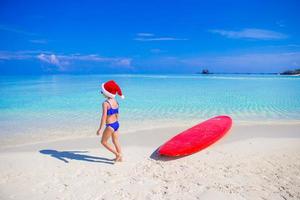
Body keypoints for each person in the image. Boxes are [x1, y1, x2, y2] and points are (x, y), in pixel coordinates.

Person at [97, 80, 125, 162]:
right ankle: (120, 158)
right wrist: (116, 123)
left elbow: (103, 117)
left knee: (103, 142)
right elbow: (117, 114)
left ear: (107, 93)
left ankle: (117, 154)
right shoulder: (116, 101)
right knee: (115, 140)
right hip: (116, 124)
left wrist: (100, 129)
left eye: (102, 91)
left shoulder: (105, 103)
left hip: (110, 126)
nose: (101, 93)